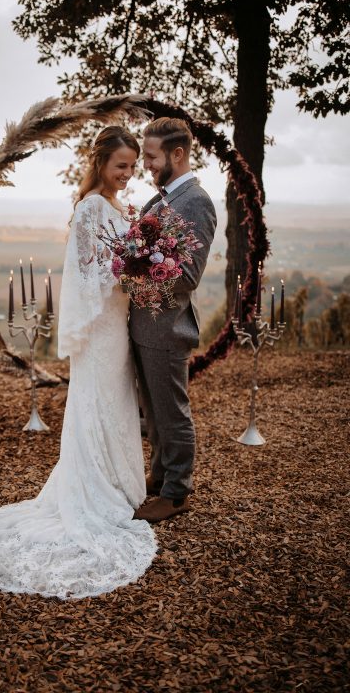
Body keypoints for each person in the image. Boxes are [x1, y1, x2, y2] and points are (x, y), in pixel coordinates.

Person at [0, 126, 157, 599]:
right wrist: (134, 268)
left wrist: (144, 264)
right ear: (99, 164)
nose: (127, 174)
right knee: (98, 400)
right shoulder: (91, 208)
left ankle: (121, 486)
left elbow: (115, 262)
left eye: (132, 167)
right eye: (121, 166)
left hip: (117, 321)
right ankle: (98, 490)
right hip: (100, 326)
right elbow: (89, 272)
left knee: (117, 402)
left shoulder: (119, 208)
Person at [130, 117, 217, 524]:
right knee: (154, 410)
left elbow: (187, 275)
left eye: (151, 156)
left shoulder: (195, 201)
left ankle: (177, 492)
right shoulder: (160, 200)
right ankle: (162, 475)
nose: (145, 163)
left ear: (177, 154)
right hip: (146, 324)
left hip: (167, 326)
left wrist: (135, 267)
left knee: (172, 412)